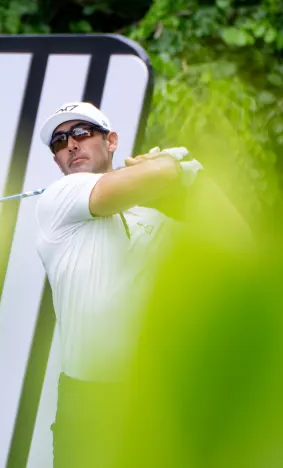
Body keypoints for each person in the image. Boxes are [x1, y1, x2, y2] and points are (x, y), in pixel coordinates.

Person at [33, 101, 246, 467]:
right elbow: (161, 177)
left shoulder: (155, 221)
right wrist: (175, 163)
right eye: (59, 141)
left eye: (82, 133)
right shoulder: (59, 200)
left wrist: (197, 175)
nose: (70, 144)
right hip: (86, 406)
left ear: (111, 141)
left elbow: (240, 249)